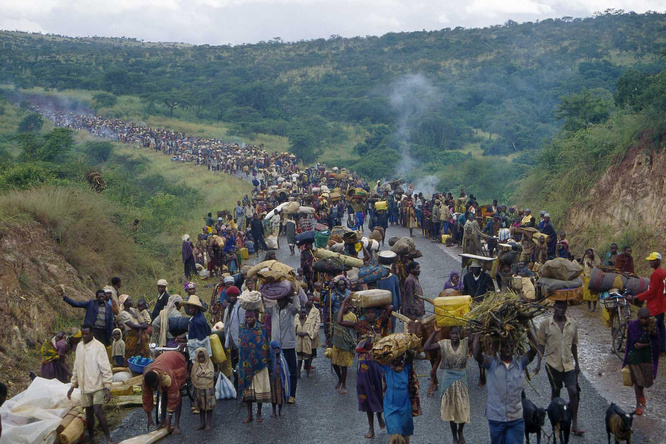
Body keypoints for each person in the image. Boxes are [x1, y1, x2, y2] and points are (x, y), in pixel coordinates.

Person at [473, 329, 538, 444]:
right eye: (504, 346)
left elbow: (534, 350)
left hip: (516, 419)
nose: (508, 349)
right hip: (496, 419)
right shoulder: (491, 363)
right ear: (499, 347)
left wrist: (528, 329)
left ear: (515, 347)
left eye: (511, 346)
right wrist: (479, 332)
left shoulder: (520, 363)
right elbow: (476, 354)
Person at [535, 300, 584, 436]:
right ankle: (555, 422)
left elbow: (574, 345)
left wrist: (577, 364)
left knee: (574, 392)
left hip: (568, 365)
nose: (560, 310)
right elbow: (541, 344)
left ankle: (574, 423)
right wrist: (538, 363)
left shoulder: (572, 323)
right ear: (554, 307)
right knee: (555, 393)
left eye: (563, 307)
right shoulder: (545, 324)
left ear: (566, 308)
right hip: (552, 364)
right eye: (558, 307)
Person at [67, 323, 114, 444]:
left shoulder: (99, 347)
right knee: (88, 413)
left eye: (87, 333)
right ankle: (92, 436)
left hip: (98, 385)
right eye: (83, 333)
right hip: (84, 386)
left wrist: (107, 387)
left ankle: (108, 437)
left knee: (98, 410)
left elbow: (105, 368)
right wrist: (73, 385)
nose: (84, 336)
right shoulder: (79, 347)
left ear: (92, 333)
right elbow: (76, 367)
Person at [424, 326, 471, 444]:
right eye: (452, 333)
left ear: (460, 334)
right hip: (448, 379)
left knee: (462, 407)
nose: (454, 336)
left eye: (456, 333)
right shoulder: (444, 343)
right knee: (451, 409)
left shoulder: (465, 343)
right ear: (449, 334)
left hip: (461, 378)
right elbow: (426, 347)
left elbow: (476, 340)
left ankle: (461, 431)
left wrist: (472, 327)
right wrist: (435, 332)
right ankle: (454, 436)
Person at [623, 307, 659, 415]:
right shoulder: (633, 326)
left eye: (645, 319)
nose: (643, 321)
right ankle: (638, 405)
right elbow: (633, 343)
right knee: (638, 382)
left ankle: (641, 394)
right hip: (634, 357)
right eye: (641, 318)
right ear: (638, 317)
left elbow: (657, 342)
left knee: (645, 380)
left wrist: (651, 334)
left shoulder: (652, 325)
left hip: (647, 357)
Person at [379, 349, 420, 444]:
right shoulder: (387, 368)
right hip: (390, 402)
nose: (397, 360)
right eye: (394, 357)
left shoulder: (406, 368)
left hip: (404, 403)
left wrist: (410, 353)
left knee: (405, 431)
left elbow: (411, 358)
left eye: (399, 357)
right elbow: (375, 359)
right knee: (395, 432)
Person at [142, 351, 188, 434]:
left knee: (177, 393)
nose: (154, 388)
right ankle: (163, 421)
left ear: (158, 379)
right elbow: (146, 398)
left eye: (155, 385)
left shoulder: (166, 377)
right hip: (164, 361)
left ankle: (176, 424)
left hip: (177, 361)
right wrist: (149, 417)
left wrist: (170, 418)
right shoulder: (146, 380)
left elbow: (174, 397)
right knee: (164, 393)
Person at [265, 295, 300, 403]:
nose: (280, 302)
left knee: (292, 371)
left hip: (288, 345)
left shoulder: (290, 309)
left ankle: (292, 395)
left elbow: (297, 307)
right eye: (278, 299)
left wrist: (294, 294)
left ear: (286, 299)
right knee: (276, 371)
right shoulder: (273, 309)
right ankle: (280, 393)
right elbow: (264, 306)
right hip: (276, 346)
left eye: (282, 299)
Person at [238, 310, 271, 423]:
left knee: (259, 389)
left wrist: (267, 361)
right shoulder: (242, 329)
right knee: (248, 392)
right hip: (246, 365)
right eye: (247, 317)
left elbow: (266, 344)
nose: (248, 320)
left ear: (255, 318)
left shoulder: (261, 329)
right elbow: (241, 345)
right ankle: (249, 414)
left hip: (259, 364)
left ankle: (259, 413)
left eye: (251, 317)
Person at [633, 252, 666, 354]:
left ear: (658, 261)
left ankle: (654, 349)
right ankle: (662, 349)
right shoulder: (662, 272)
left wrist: (637, 297)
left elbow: (651, 292)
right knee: (661, 328)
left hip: (654, 307)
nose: (650, 262)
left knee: (652, 329)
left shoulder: (656, 274)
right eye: (650, 260)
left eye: (653, 260)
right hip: (661, 305)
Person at [333, 297, 358, 395]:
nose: (345, 307)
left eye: (347, 305)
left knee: (344, 365)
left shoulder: (352, 316)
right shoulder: (336, 314)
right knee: (334, 363)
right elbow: (334, 327)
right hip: (337, 341)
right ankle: (339, 379)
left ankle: (343, 384)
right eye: (343, 305)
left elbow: (355, 330)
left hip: (347, 343)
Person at [118, 295, 150, 364]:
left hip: (141, 334)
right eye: (130, 300)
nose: (132, 301)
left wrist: (145, 323)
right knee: (130, 353)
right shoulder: (123, 313)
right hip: (132, 335)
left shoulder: (133, 310)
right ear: (125, 303)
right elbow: (131, 325)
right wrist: (142, 327)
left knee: (144, 354)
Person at [222, 286, 244, 387]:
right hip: (231, 342)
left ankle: (241, 387)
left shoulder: (240, 307)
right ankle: (236, 386)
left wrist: (241, 342)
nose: (231, 298)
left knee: (241, 366)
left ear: (237, 296)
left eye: (233, 296)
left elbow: (242, 325)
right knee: (234, 365)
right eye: (230, 296)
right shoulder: (228, 307)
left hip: (239, 341)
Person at [191, 347, 215, 431]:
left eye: (202, 357)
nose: (201, 359)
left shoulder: (209, 364)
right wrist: (204, 373)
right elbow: (194, 375)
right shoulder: (195, 365)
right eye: (199, 357)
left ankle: (208, 423)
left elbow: (210, 374)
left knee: (209, 406)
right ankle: (202, 423)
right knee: (201, 407)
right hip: (199, 389)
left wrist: (201, 373)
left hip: (208, 388)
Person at [269, 340, 291, 419]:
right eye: (275, 349)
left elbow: (286, 370)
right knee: (273, 397)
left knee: (280, 397)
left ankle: (280, 411)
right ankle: (274, 411)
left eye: (278, 349)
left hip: (280, 381)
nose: (276, 351)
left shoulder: (282, 359)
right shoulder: (270, 359)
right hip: (273, 381)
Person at [295, 307, 316, 378]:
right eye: (302, 313)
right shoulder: (296, 320)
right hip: (298, 341)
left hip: (306, 341)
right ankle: (298, 373)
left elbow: (311, 330)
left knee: (308, 357)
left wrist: (306, 333)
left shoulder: (309, 321)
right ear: (299, 313)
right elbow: (293, 329)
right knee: (299, 359)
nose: (303, 314)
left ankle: (308, 371)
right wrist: (297, 332)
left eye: (304, 313)